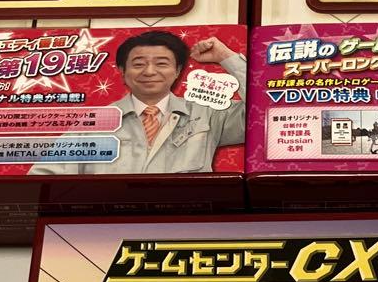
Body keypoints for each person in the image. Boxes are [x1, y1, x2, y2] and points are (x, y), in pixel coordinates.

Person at [29, 31, 245, 175]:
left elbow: (262, 114)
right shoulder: (95, 122)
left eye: (161, 63)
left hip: (186, 222)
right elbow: (45, 176)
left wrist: (227, 57)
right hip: (111, 223)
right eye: (139, 64)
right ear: (122, 71)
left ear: (178, 70)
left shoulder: (207, 113)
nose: (149, 71)